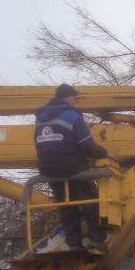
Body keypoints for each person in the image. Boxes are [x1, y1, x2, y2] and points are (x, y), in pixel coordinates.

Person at [34, 83, 109, 249]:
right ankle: (97, 241)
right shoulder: (72, 116)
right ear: (67, 97)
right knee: (91, 202)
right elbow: (87, 145)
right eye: (75, 97)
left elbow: (39, 143)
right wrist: (105, 153)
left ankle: (74, 244)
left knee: (66, 207)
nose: (76, 101)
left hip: (50, 171)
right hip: (73, 167)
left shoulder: (40, 118)